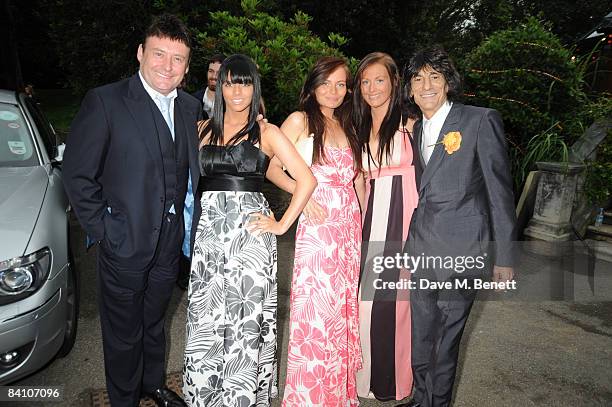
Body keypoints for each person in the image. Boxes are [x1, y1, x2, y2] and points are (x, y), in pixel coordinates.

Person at [62, 14, 199, 407]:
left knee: (154, 324)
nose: (167, 66)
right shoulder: (105, 101)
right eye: (159, 54)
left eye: (177, 59)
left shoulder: (191, 108)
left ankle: (152, 384)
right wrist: (106, 230)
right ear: (141, 53)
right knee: (123, 334)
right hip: (123, 241)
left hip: (169, 243)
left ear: (187, 67)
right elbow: (77, 175)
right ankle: (124, 400)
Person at [183, 54, 316, 407]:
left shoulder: (267, 132)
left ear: (253, 87)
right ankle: (208, 397)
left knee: (245, 321)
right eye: (229, 82)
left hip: (250, 239)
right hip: (210, 237)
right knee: (207, 316)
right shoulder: (202, 129)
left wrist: (282, 223)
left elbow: (306, 180)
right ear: (219, 86)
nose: (236, 90)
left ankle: (242, 397)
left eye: (244, 82)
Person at [398, 46, 516, 407]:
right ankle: (421, 400)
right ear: (410, 90)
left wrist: (504, 257)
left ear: (448, 82)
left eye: (435, 76)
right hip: (422, 251)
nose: (426, 85)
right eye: (418, 79)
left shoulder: (479, 120)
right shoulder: (416, 129)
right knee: (421, 337)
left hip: (464, 251)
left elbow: (500, 192)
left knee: (445, 342)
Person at [266, 56, 363, 407]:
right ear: (313, 85)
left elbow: (356, 179)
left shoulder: (345, 122)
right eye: (326, 83)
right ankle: (308, 396)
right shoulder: (299, 120)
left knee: (340, 310)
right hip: (319, 228)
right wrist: (302, 197)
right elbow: (272, 169)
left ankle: (335, 394)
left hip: (348, 228)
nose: (334, 91)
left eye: (341, 84)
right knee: (316, 312)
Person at [353, 52, 418, 402]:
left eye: (379, 79)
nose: (371, 88)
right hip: (369, 219)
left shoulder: (411, 124)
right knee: (366, 302)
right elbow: (359, 180)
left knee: (398, 304)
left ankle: (397, 382)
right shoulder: (359, 127)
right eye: (364, 81)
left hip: (403, 217)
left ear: (394, 81)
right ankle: (366, 378)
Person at [192, 53, 225, 119]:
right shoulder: (193, 100)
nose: (214, 76)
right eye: (211, 71)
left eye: (219, 73)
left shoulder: (231, 103)